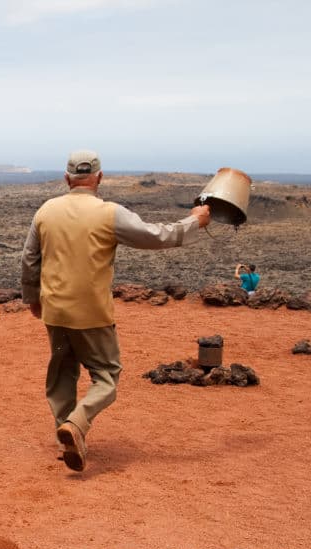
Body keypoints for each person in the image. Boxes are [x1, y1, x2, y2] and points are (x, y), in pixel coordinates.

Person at [21, 150, 211, 472]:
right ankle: (77, 425)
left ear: (67, 179)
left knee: (61, 373)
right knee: (107, 376)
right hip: (92, 313)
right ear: (99, 178)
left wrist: (33, 298)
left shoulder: (46, 211)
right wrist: (195, 222)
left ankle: (64, 434)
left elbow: (29, 259)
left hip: (55, 311)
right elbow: (157, 236)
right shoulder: (109, 213)